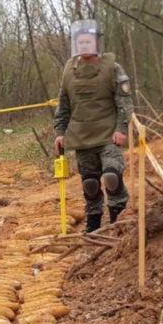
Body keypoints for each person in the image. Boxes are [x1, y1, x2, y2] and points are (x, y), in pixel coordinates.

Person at [53, 20, 134, 233]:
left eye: (88, 41)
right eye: (80, 42)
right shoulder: (70, 70)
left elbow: (124, 101)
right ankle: (94, 221)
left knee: (111, 176)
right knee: (90, 183)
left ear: (96, 42)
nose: (84, 45)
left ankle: (118, 218)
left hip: (108, 134)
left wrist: (121, 129)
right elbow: (64, 105)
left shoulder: (112, 68)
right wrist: (60, 132)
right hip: (82, 137)